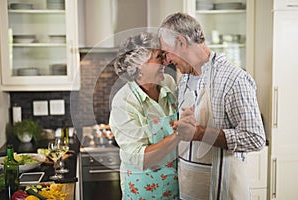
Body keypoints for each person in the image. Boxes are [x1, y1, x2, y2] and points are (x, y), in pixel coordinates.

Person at [158, 12, 266, 200]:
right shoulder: (185, 80)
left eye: (167, 51)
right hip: (190, 188)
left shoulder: (233, 79)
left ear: (181, 42)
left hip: (224, 190)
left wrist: (199, 133)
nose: (167, 60)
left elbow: (255, 138)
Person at [109, 32, 195, 199]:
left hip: (176, 187)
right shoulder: (124, 102)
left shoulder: (168, 83)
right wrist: (178, 135)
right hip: (144, 190)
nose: (165, 61)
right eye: (158, 57)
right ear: (140, 65)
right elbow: (142, 159)